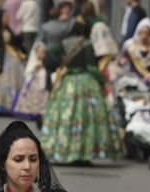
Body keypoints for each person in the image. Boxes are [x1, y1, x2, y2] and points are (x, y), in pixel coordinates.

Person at [40, 19, 124, 164]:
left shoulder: (64, 43)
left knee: (66, 117)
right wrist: (105, 81)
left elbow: (49, 52)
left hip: (68, 82)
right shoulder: (87, 45)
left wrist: (59, 63)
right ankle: (84, 153)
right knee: (87, 119)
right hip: (86, 83)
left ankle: (63, 150)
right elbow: (91, 68)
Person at [120, 18, 150, 86]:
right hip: (134, 81)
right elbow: (123, 61)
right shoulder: (131, 47)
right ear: (138, 33)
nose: (144, 36)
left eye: (146, 33)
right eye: (142, 33)